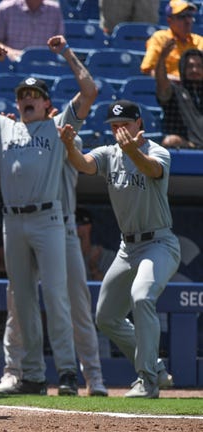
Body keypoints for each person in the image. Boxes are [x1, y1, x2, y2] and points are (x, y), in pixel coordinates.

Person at [0, 33, 98, 395]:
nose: (27, 100)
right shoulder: (5, 126)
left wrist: (68, 53)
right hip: (13, 221)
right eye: (22, 96)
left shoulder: (57, 126)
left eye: (34, 96)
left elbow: (89, 92)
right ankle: (33, 375)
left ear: (47, 104)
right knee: (22, 299)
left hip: (48, 220)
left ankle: (67, 372)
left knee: (56, 296)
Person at [61, 99, 181, 398]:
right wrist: (70, 147)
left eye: (124, 124)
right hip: (128, 248)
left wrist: (132, 151)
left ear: (139, 123)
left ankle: (148, 378)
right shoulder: (110, 152)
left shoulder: (157, 151)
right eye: (114, 126)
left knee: (141, 297)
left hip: (160, 243)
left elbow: (152, 170)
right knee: (106, 317)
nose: (119, 131)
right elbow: (85, 165)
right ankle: (154, 364)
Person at [0, 129, 109, 397]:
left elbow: (75, 145)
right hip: (25, 226)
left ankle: (94, 376)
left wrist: (53, 131)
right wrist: (24, 134)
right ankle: (13, 371)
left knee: (77, 306)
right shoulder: (22, 144)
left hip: (64, 228)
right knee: (17, 304)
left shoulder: (64, 140)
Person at [140, 1, 203, 80]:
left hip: (194, 88)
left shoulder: (199, 41)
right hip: (168, 88)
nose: (187, 21)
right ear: (169, 20)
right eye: (182, 17)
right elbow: (148, 70)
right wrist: (175, 80)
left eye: (189, 16)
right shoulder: (160, 38)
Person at [156, 44, 203, 148]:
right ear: (183, 68)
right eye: (190, 66)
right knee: (170, 141)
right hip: (188, 145)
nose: (195, 70)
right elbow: (162, 83)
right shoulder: (175, 92)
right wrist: (162, 59)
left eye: (199, 66)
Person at [0, 0, 64, 62]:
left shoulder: (55, 10)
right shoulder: (5, 8)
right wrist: (10, 52)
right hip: (12, 66)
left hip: (44, 66)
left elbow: (59, 43)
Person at [75, 207, 117, 281]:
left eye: (80, 223)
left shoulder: (107, 256)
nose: (76, 228)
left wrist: (93, 267)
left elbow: (107, 288)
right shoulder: (63, 257)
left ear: (89, 226)